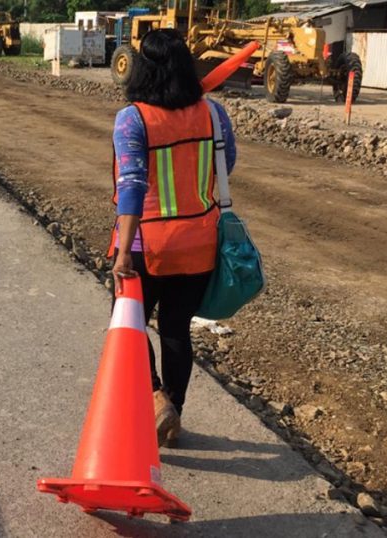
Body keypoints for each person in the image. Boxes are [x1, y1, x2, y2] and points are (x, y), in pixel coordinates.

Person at [108, 29, 237, 448]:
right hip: (199, 243)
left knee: (128, 324)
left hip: (147, 244)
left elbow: (131, 185)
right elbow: (225, 163)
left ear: (143, 66)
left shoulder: (134, 118)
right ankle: (173, 412)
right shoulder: (214, 114)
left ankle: (154, 396)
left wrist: (123, 250)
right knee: (177, 329)